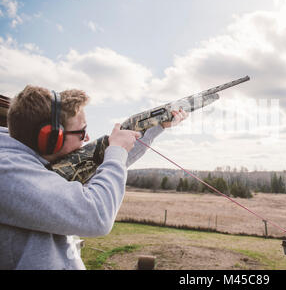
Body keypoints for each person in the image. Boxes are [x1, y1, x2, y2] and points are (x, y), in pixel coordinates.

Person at [0, 85, 187, 269]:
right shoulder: (7, 173)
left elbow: (95, 167)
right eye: (81, 132)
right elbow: (97, 215)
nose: (87, 137)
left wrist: (156, 125)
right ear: (50, 138)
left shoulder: (33, 164)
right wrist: (116, 151)